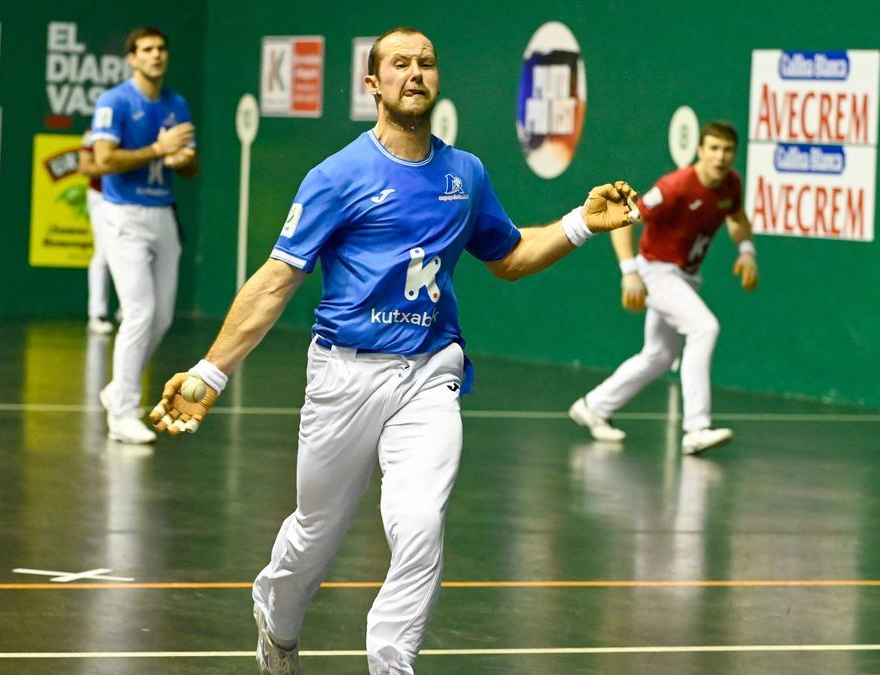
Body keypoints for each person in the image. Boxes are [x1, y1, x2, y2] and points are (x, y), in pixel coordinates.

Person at [148, 27, 637, 675]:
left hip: (431, 372)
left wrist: (580, 222)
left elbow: (510, 256)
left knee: (419, 522)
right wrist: (211, 371)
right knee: (315, 534)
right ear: (373, 84)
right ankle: (277, 614)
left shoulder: (466, 174)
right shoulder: (337, 176)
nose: (416, 73)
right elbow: (276, 280)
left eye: (427, 63)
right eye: (400, 64)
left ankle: (391, 659)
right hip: (343, 375)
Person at [568, 121, 758, 455]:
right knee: (705, 328)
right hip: (656, 271)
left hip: (685, 277)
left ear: (735, 154)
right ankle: (696, 428)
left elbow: (738, 218)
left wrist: (747, 251)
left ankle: (593, 406)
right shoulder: (676, 187)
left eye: (727, 150)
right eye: (713, 148)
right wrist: (629, 272)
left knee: (659, 356)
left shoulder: (731, 184)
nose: (720, 156)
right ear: (700, 150)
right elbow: (624, 216)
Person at [90, 25, 199, 444]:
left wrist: (180, 158)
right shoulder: (114, 101)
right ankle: (122, 413)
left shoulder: (177, 104)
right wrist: (157, 150)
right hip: (124, 217)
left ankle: (118, 387)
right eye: (147, 50)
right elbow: (102, 159)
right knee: (138, 312)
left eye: (161, 49)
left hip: (163, 215)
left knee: (163, 317)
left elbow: (192, 167)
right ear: (132, 58)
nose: (156, 55)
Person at [77, 129, 115, 335]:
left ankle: (129, 311)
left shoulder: (134, 131)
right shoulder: (92, 134)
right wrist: (118, 165)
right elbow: (84, 166)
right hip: (100, 197)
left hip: (130, 200)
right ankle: (97, 314)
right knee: (103, 253)